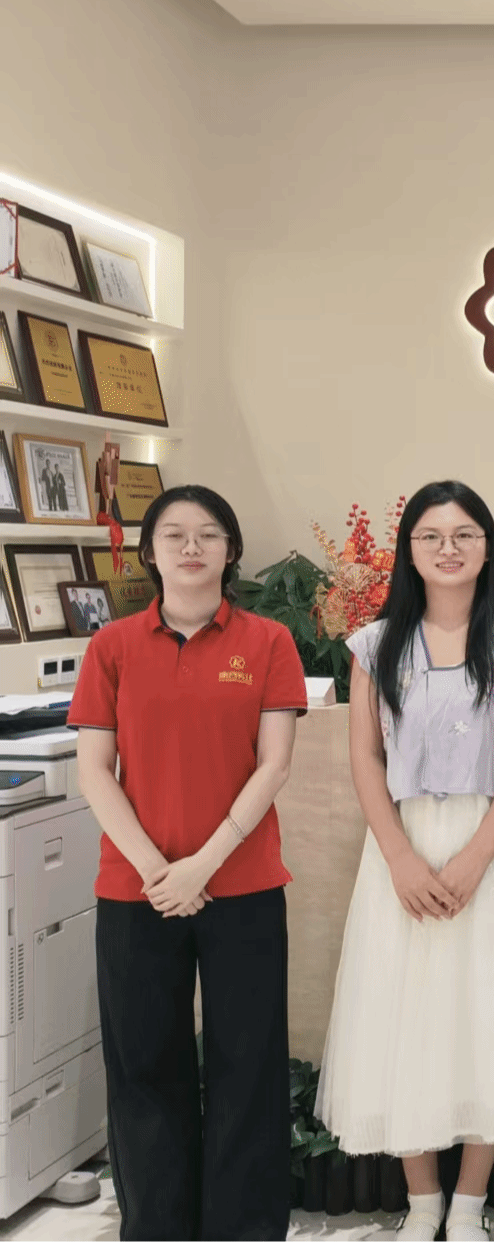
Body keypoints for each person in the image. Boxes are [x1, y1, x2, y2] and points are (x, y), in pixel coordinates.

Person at [316, 480, 494, 1242]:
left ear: (487, 547)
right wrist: (400, 856)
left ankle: (469, 1202)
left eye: (465, 534)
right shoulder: (375, 644)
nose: (449, 548)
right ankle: (422, 1199)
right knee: (405, 1010)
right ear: (409, 551)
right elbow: (365, 757)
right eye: (431, 535)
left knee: (490, 1010)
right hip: (401, 844)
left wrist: (475, 858)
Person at [69, 485, 306, 1242]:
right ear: (150, 552)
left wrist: (201, 865)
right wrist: (157, 870)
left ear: (231, 550)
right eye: (174, 534)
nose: (192, 546)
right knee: (144, 1070)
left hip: (242, 887)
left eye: (209, 533)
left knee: (249, 1068)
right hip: (135, 893)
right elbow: (95, 770)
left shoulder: (268, 642)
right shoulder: (112, 646)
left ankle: (244, 1231)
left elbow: (273, 765)